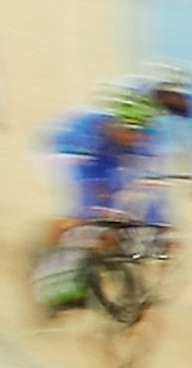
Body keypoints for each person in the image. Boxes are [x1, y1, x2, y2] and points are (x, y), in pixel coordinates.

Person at [33, 89, 161, 310]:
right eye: (129, 130)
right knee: (78, 217)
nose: (134, 137)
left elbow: (149, 186)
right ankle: (47, 260)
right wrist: (89, 210)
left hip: (103, 163)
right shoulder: (91, 130)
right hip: (66, 154)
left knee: (116, 218)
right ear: (117, 123)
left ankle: (92, 266)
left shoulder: (143, 141)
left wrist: (155, 220)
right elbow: (81, 176)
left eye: (139, 132)